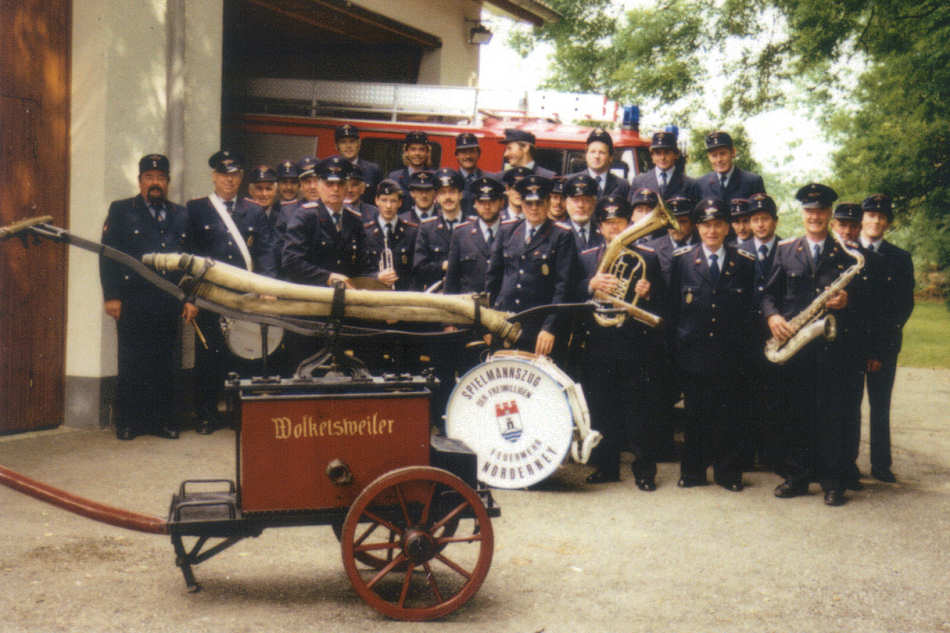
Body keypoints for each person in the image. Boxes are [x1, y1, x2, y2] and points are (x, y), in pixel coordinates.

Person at [763, 183, 862, 506]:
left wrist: (849, 301)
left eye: (820, 211)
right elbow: (767, 294)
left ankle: (833, 482)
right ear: (802, 214)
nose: (814, 216)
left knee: (831, 416)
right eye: (809, 211)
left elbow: (867, 303)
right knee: (796, 413)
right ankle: (799, 476)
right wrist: (773, 317)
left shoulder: (846, 254)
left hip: (832, 347)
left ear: (830, 215)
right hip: (796, 343)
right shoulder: (786, 250)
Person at [100, 154, 195, 440]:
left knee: (166, 363)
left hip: (168, 301)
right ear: (140, 180)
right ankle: (128, 422)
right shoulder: (121, 210)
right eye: (150, 177)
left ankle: (163, 421)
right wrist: (112, 296)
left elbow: (191, 262)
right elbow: (108, 257)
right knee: (132, 362)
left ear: (168, 182)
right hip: (133, 300)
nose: (156, 183)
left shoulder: (181, 214)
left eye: (161, 178)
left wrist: (190, 298)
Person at [187, 150, 279, 434]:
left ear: (241, 178)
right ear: (214, 177)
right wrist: (190, 297)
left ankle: (241, 415)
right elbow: (189, 255)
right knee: (208, 356)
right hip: (210, 294)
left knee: (245, 354)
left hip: (245, 295)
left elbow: (264, 251)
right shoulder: (197, 209)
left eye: (235, 175)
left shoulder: (253, 211)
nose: (229, 180)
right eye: (224, 175)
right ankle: (206, 414)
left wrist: (267, 286)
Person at [667, 198, 756, 491]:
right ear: (697, 227)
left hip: (731, 353)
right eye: (706, 225)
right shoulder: (682, 260)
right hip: (693, 352)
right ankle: (692, 472)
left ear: (727, 226)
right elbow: (673, 309)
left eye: (718, 224)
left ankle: (727, 473)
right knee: (695, 415)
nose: (712, 231)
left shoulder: (743, 262)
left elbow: (749, 310)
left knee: (728, 414)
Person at [578, 194, 664, 487]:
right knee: (602, 407)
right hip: (599, 343)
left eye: (620, 222)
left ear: (630, 224)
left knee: (639, 410)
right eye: (608, 223)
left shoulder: (648, 257)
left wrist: (648, 291)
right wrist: (591, 284)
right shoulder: (588, 257)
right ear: (599, 227)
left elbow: (662, 301)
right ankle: (606, 467)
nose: (615, 229)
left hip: (634, 344)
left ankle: (644, 471)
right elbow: (572, 294)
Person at [486, 175, 576, 356]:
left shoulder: (561, 235)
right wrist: (488, 322)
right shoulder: (507, 231)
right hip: (504, 322)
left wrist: (550, 327)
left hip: (538, 329)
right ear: (522, 204)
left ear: (548, 202)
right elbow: (493, 279)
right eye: (529, 203)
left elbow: (563, 287)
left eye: (539, 203)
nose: (534, 208)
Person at [860, 193, 915, 483]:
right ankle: (846, 463)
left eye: (881, 217)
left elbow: (903, 306)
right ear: (863, 219)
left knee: (880, 407)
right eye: (870, 216)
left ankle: (881, 465)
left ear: (887, 223)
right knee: (846, 407)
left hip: (884, 346)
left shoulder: (900, 258)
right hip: (851, 345)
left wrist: (878, 351)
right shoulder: (847, 251)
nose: (876, 221)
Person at [737, 193, 785, 472]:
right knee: (746, 394)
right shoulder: (736, 249)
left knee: (775, 394)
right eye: (755, 219)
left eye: (765, 218)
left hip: (777, 331)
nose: (760, 224)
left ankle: (774, 454)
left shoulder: (788, 248)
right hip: (746, 333)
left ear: (775, 221)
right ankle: (745, 453)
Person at [831, 202, 876, 490]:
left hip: (853, 345)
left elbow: (877, 308)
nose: (847, 231)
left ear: (859, 228)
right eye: (842, 225)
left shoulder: (869, 259)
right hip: (822, 343)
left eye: (852, 225)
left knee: (849, 410)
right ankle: (819, 465)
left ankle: (847, 466)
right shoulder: (824, 252)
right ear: (833, 225)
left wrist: (852, 302)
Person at [282, 156, 373, 288]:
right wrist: (327, 277)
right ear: (319, 185)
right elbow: (291, 261)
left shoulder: (354, 220)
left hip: (344, 298)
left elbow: (363, 264)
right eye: (329, 184)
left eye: (341, 184)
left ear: (347, 187)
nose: (335, 189)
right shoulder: (305, 217)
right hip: (310, 295)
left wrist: (375, 277)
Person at [445, 175, 505, 295]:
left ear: (501, 203)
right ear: (475, 204)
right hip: (469, 306)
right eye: (482, 202)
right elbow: (452, 280)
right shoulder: (461, 234)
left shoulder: (511, 232)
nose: (487, 207)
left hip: (501, 307)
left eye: (492, 201)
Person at [412, 168, 466, 291]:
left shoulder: (471, 225)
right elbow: (419, 268)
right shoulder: (427, 228)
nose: (448, 197)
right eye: (442, 193)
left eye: (452, 192)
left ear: (460, 194)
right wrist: (443, 266)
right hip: (436, 294)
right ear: (436, 197)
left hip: (466, 295)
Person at [363, 179, 417, 291]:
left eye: (393, 201)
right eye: (384, 200)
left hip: (403, 296)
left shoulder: (412, 232)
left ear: (400, 203)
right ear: (376, 201)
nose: (388, 206)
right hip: (373, 295)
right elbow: (357, 270)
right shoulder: (365, 232)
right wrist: (376, 277)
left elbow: (416, 270)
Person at [697, 131, 765, 205]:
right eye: (714, 155)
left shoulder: (752, 182)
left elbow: (762, 214)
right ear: (709, 157)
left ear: (733, 153)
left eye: (723, 153)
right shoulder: (701, 184)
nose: (719, 160)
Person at [631, 131, 698, 201]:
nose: (662, 158)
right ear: (652, 156)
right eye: (658, 153)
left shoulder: (690, 184)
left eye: (667, 153)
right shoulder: (639, 181)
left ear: (676, 155)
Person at [566, 128, 630, 199]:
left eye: (602, 152)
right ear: (586, 155)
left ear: (610, 157)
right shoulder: (570, 181)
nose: (596, 156)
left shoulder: (622, 185)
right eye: (593, 152)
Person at [387, 131, 432, 213]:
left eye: (421, 149)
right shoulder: (394, 177)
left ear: (427, 153)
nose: (417, 153)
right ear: (406, 152)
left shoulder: (434, 176)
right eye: (413, 149)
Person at [335, 123, 381, 202]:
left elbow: (378, 200)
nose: (348, 146)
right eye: (343, 142)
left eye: (352, 141)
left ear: (359, 144)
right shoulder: (331, 168)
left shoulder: (373, 170)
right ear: (336, 146)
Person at [564, 174, 604, 252]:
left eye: (586, 200)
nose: (580, 205)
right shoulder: (557, 234)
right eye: (576, 200)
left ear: (594, 203)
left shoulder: (603, 232)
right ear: (566, 203)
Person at [454, 132, 486, 216]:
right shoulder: (452, 181)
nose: (468, 156)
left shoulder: (488, 179)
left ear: (478, 154)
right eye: (463, 152)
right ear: (456, 155)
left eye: (472, 151)